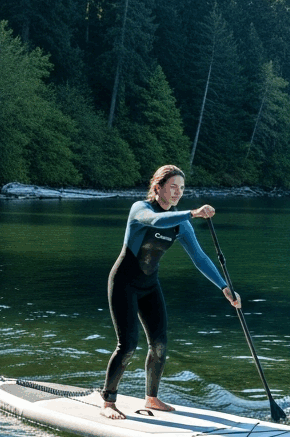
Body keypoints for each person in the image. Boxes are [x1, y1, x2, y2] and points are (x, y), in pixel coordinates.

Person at [101, 165, 241, 419]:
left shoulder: (181, 223)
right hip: (124, 283)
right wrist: (192, 213)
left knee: (160, 344)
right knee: (128, 344)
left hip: (150, 286)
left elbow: (199, 257)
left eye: (182, 188)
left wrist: (224, 286)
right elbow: (155, 221)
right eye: (173, 187)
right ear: (158, 188)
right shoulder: (140, 209)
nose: (178, 192)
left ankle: (151, 398)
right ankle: (108, 403)